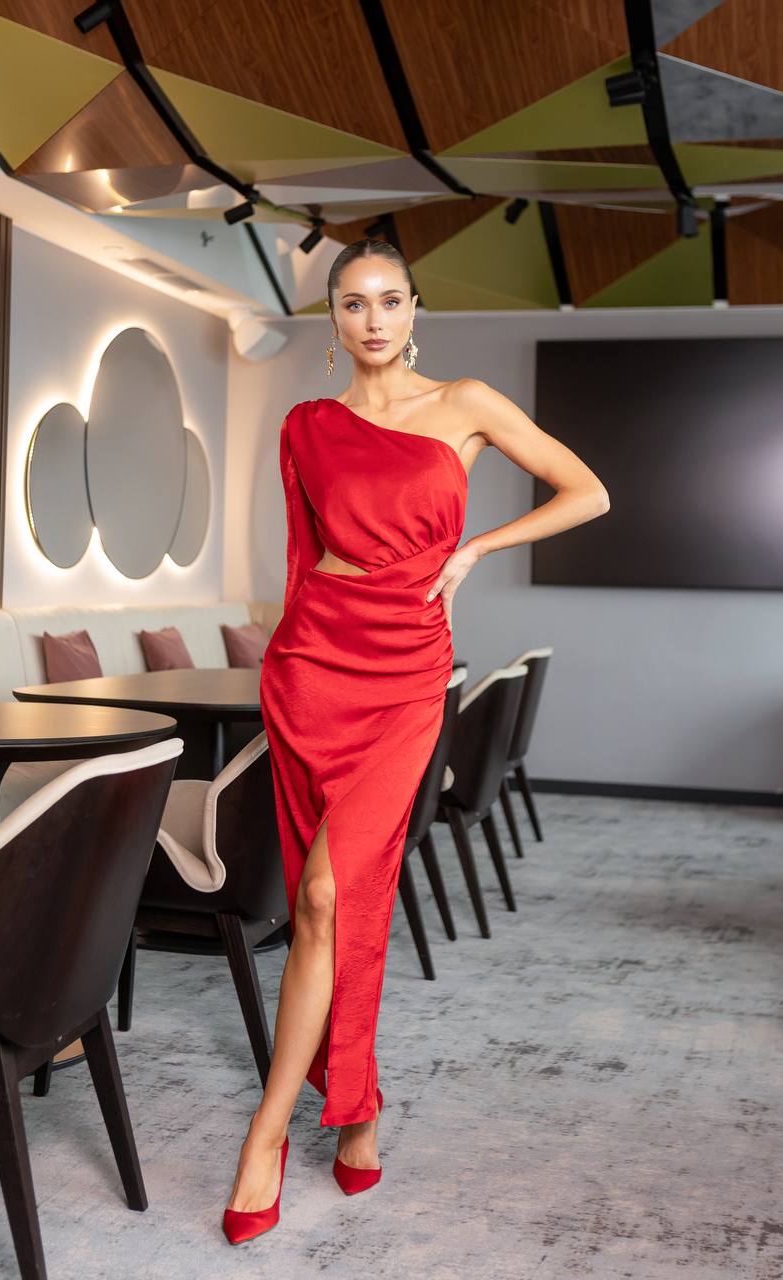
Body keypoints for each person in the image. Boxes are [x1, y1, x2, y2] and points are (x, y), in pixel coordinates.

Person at [222, 237, 610, 1244]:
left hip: (403, 679)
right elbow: (304, 560)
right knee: (327, 903)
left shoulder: (469, 402)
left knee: (325, 891)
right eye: (352, 304)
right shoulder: (307, 424)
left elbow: (587, 490)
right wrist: (279, 662)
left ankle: (268, 1130)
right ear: (335, 321)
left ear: (414, 308)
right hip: (310, 667)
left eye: (388, 300)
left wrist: (475, 546)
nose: (372, 320)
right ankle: (358, 1107)